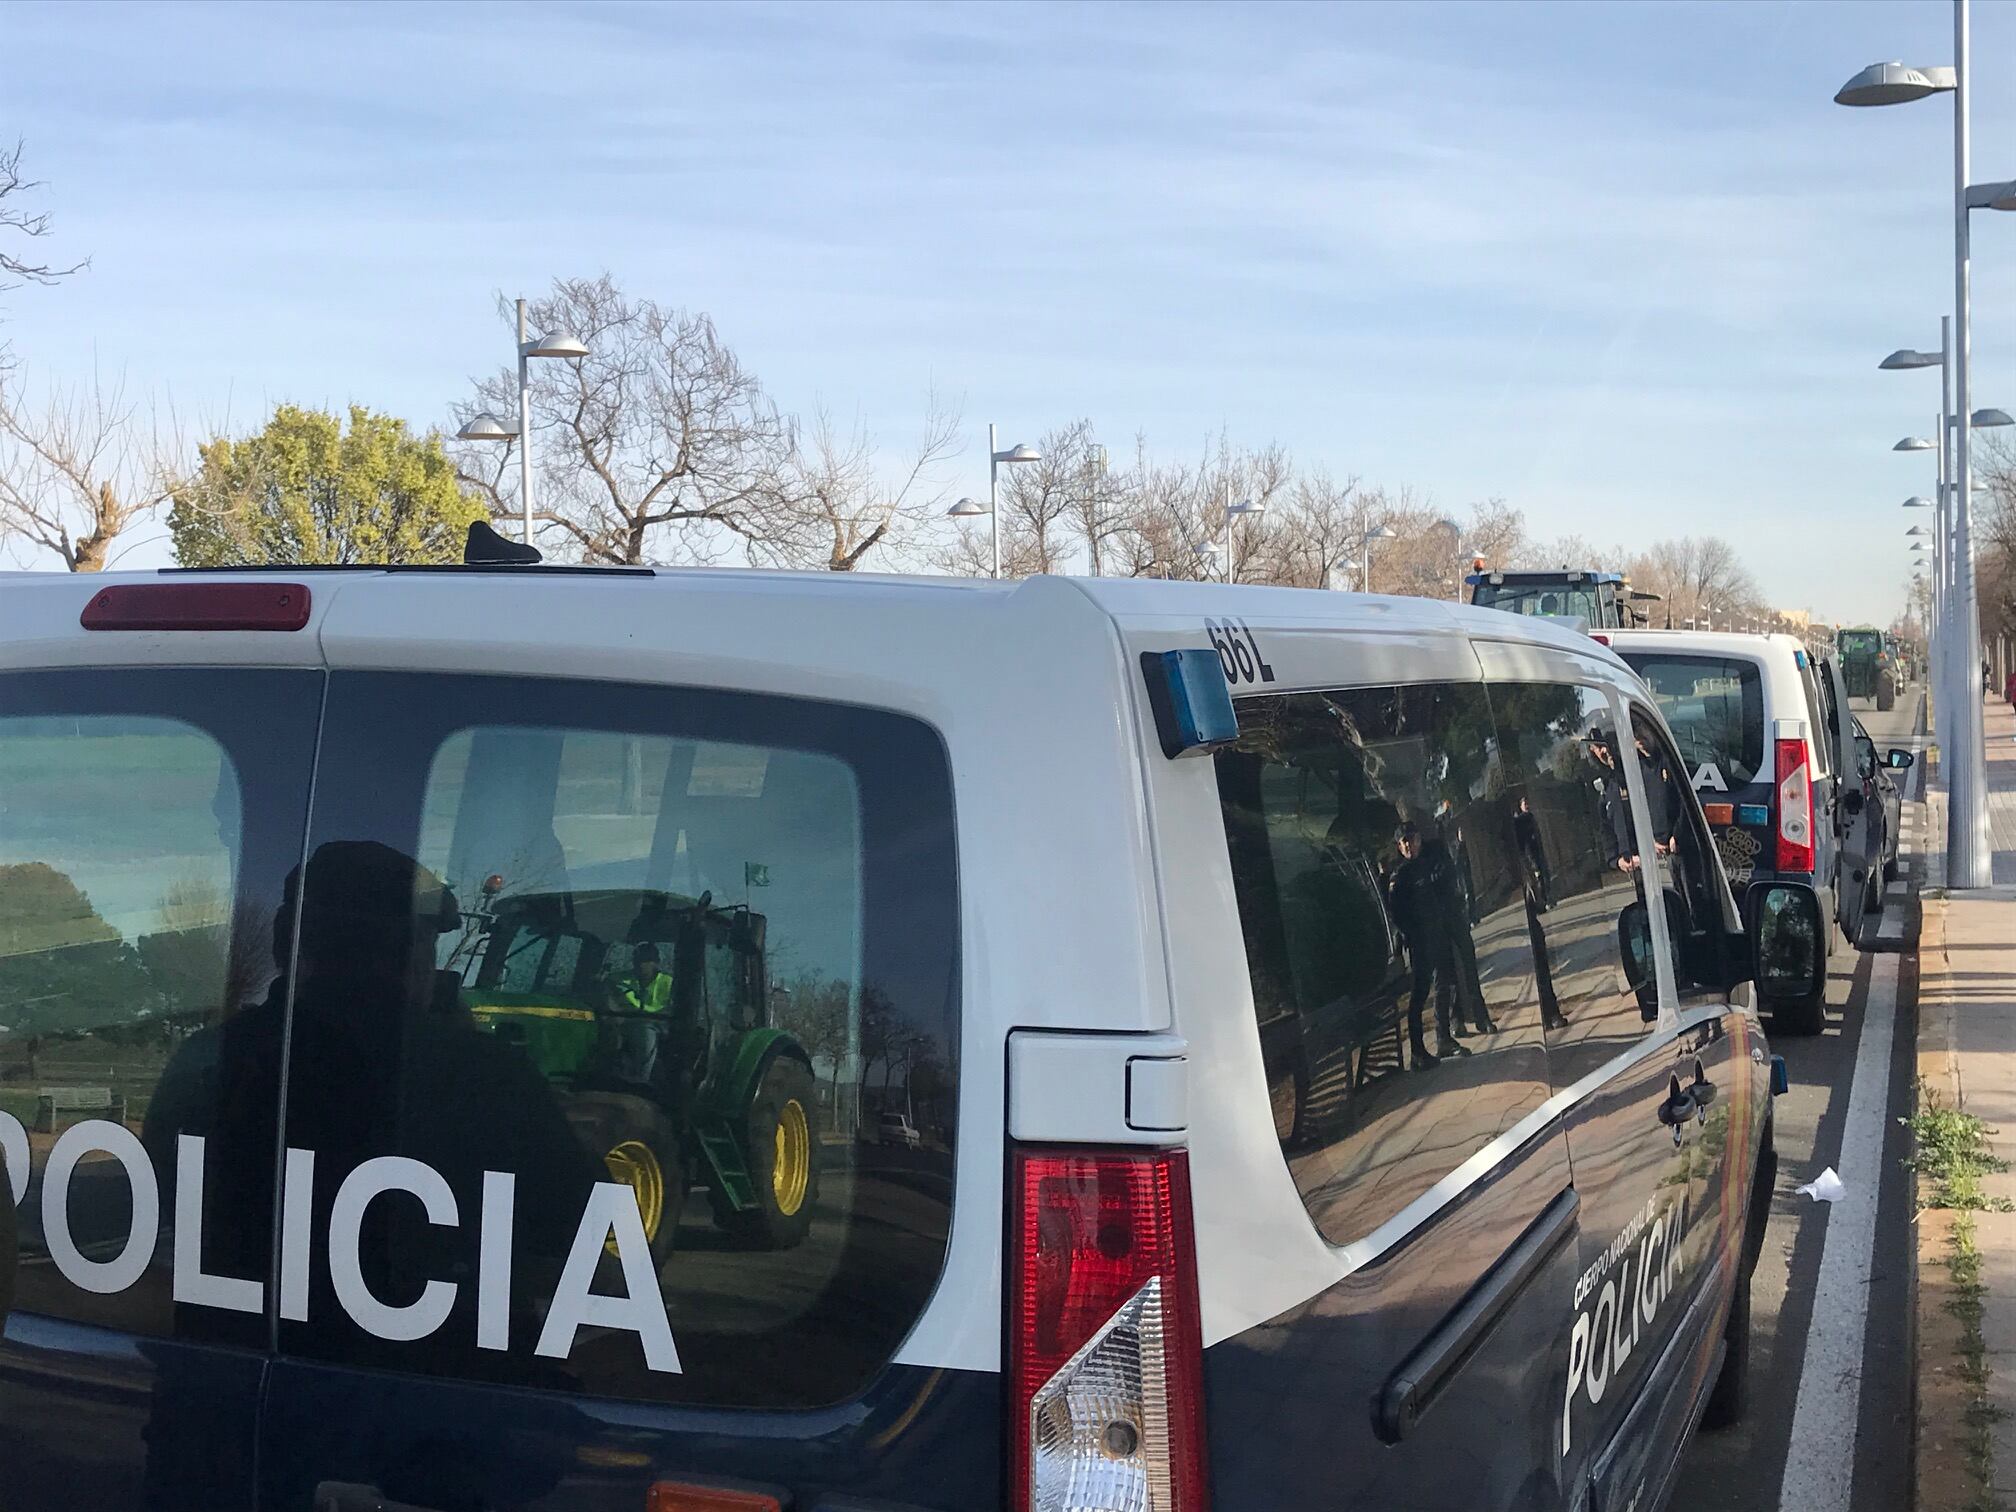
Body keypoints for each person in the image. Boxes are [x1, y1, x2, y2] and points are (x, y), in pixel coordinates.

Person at [1386, 821, 1493, 1067]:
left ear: (1418, 840)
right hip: (1421, 942)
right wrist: (1413, 936)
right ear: (1399, 847)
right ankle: (1420, 1051)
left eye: (1410, 840)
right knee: (1422, 993)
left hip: (1438, 933)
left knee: (1443, 982)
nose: (1408, 846)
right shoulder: (1400, 875)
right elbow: (1397, 914)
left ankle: (1442, 1039)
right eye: (1403, 843)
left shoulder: (1427, 861)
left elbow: (1443, 889)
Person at [613, 941, 673, 1083]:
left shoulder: (669, 983)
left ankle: (640, 1081)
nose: (641, 964)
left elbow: (673, 1009)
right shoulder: (619, 979)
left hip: (655, 1024)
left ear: (656, 963)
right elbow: (609, 998)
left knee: (645, 1034)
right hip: (621, 1021)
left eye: (646, 960)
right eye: (638, 960)